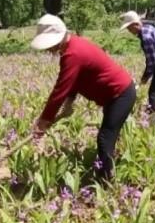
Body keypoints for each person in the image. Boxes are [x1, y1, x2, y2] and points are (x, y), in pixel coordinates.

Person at [30, 14, 136, 180]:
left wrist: (44, 120)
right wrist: (69, 103)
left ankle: (106, 181)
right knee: (107, 136)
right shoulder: (73, 46)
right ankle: (106, 172)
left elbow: (60, 90)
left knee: (104, 138)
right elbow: (75, 79)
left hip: (120, 94)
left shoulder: (73, 54)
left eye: (49, 44)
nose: (48, 49)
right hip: (114, 95)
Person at [120, 11, 155, 114]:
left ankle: (150, 116)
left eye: (129, 28)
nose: (129, 31)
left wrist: (145, 77)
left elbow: (152, 61)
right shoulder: (148, 28)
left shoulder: (145, 37)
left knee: (154, 92)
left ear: (135, 24)